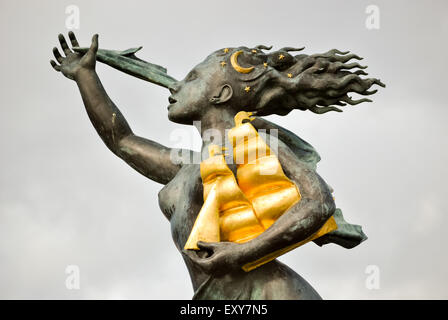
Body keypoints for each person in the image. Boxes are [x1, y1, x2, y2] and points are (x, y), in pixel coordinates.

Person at [50, 32, 383, 299]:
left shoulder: (255, 142)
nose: (177, 86)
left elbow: (318, 202)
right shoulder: (189, 165)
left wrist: (242, 252)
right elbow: (122, 141)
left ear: (222, 94)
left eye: (192, 78)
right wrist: (85, 76)